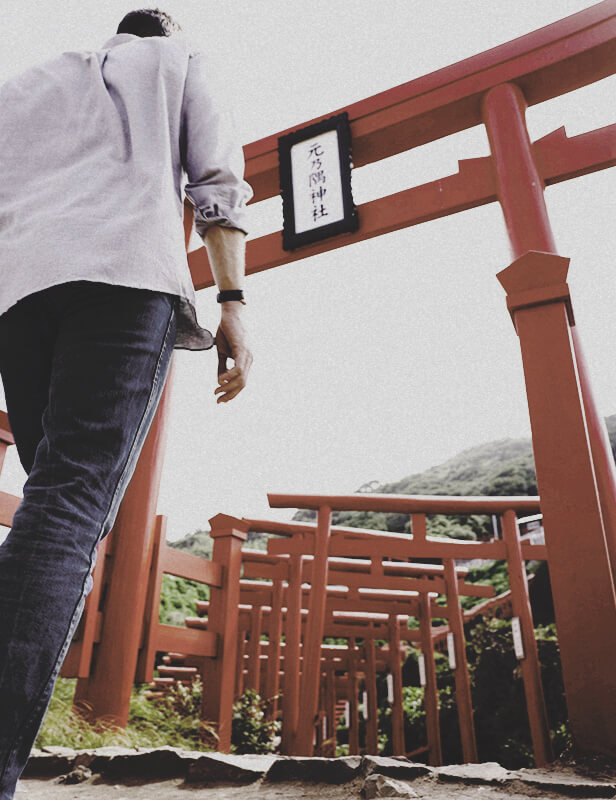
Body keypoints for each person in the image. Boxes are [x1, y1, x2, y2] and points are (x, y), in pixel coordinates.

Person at [0, 9, 253, 797]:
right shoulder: (177, 62)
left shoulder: (25, 85)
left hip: (20, 292)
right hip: (121, 278)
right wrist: (234, 301)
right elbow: (215, 182)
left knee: (50, 500)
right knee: (71, 506)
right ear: (167, 30)